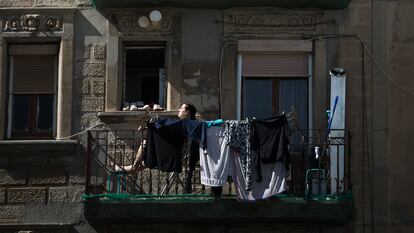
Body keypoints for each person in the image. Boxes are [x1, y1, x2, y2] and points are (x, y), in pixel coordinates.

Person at [116, 103, 197, 172]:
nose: (179, 110)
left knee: (147, 144)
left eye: (182, 108)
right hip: (175, 151)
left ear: (187, 112)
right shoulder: (188, 124)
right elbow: (167, 130)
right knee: (148, 151)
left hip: (174, 153)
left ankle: (133, 167)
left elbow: (166, 123)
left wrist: (152, 123)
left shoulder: (184, 123)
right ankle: (133, 167)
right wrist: (152, 126)